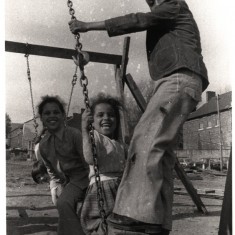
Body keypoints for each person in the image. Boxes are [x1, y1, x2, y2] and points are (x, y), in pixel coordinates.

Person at [69, 1, 209, 234]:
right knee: (162, 152)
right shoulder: (170, 14)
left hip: (178, 79)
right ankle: (158, 220)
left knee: (145, 140)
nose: (152, 3)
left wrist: (87, 26)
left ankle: (140, 214)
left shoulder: (174, 5)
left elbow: (136, 20)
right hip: (183, 80)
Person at [38, 95, 89, 235]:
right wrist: (60, 183)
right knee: (62, 206)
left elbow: (87, 160)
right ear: (41, 118)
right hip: (67, 181)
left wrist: (92, 183)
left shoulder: (74, 135)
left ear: (63, 116)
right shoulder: (43, 145)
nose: (52, 116)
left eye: (56, 112)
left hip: (84, 177)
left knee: (63, 203)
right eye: (47, 113)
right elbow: (50, 169)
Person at [80, 93, 127, 235]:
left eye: (111, 115)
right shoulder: (94, 136)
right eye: (100, 115)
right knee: (100, 224)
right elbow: (89, 158)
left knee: (119, 225)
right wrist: (84, 129)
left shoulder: (119, 143)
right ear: (92, 121)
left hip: (120, 188)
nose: (106, 118)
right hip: (102, 188)